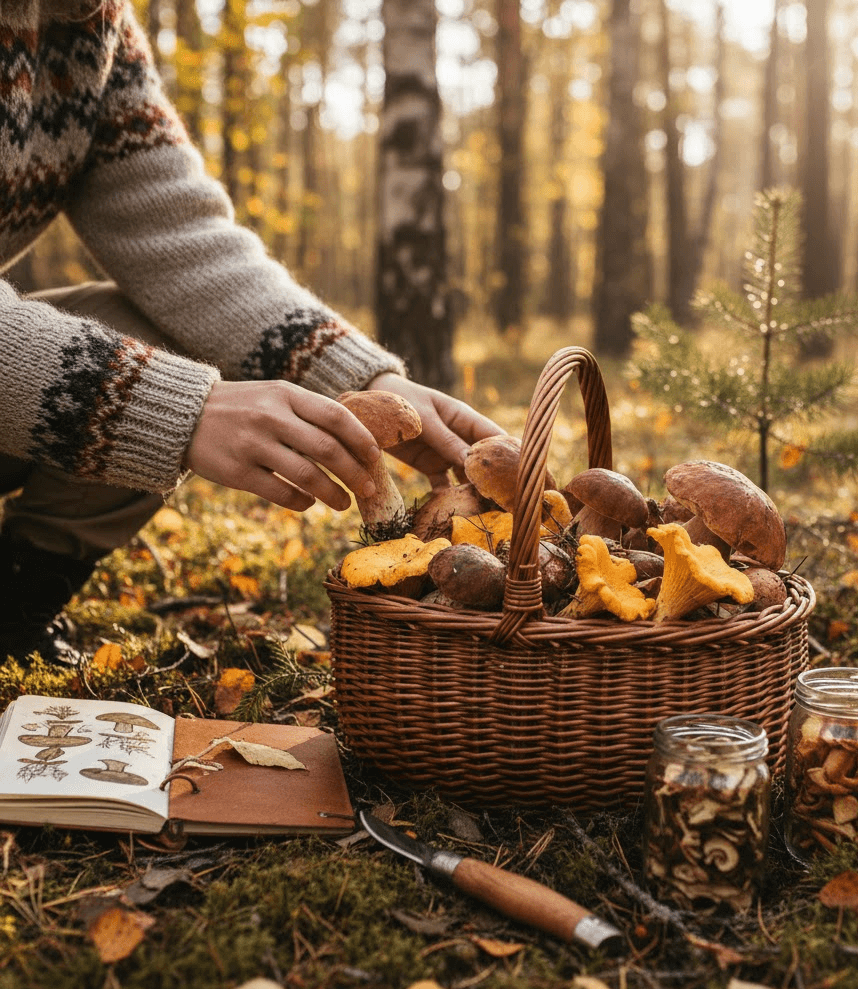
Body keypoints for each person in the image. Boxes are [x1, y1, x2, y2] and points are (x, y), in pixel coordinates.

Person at [0, 0, 502, 665]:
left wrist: (361, 378)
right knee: (149, 372)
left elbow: (180, 237)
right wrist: (170, 407)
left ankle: (13, 613)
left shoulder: (87, 24)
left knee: (153, 338)